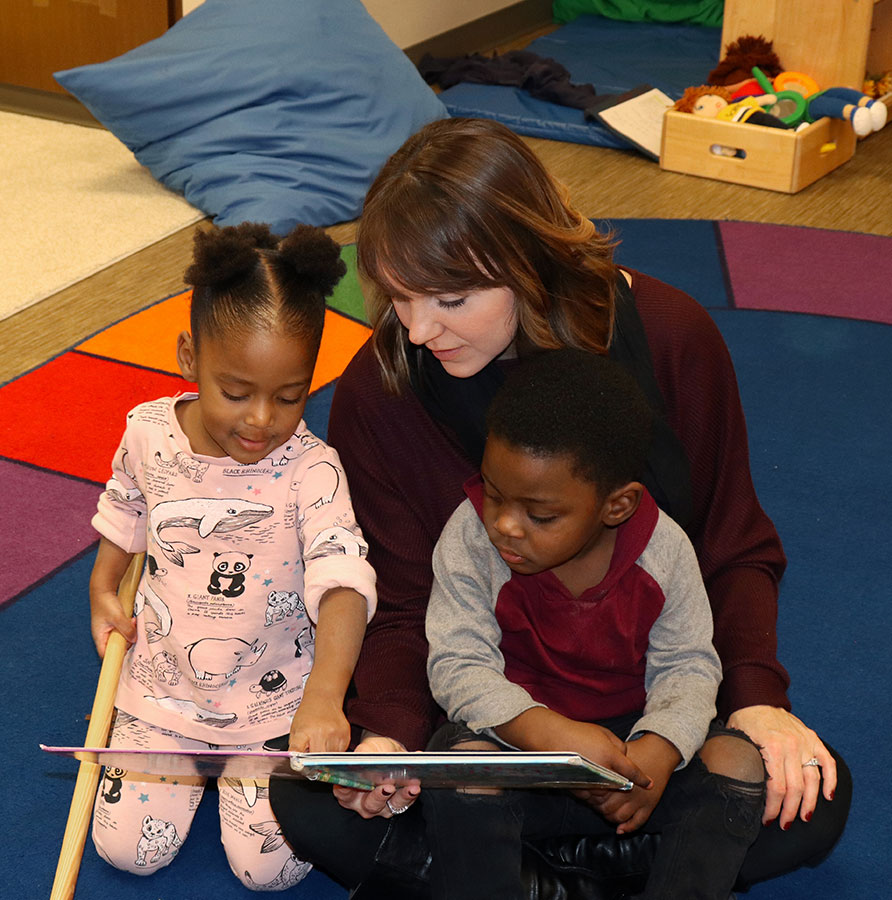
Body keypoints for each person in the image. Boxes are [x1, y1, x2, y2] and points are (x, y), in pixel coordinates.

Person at [269, 117, 850, 896]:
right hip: (490, 726)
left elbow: (732, 544)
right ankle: (627, 873)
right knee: (304, 797)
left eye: (449, 297)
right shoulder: (383, 389)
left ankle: (527, 879)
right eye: (397, 296)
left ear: (529, 261)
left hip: (655, 728)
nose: (416, 328)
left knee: (807, 793)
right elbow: (405, 603)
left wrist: (757, 702)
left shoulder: (674, 336)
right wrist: (390, 737)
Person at [88, 223, 376, 890]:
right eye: (237, 392)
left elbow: (343, 582)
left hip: (275, 704)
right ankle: (180, 761)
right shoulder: (147, 433)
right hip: (164, 690)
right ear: (190, 357)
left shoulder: (313, 469)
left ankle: (244, 779)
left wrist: (326, 701)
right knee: (128, 852)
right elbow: (125, 506)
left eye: (290, 395)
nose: (261, 420)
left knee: (271, 870)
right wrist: (104, 590)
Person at [422, 348, 765, 899]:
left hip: (629, 771)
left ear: (617, 506)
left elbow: (690, 666)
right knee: (460, 769)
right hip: (521, 756)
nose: (505, 524)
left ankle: (555, 876)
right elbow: (458, 666)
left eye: (541, 515)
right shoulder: (470, 536)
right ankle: (585, 872)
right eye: (494, 493)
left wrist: (659, 748)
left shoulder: (663, 549)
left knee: (745, 766)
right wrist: (549, 735)